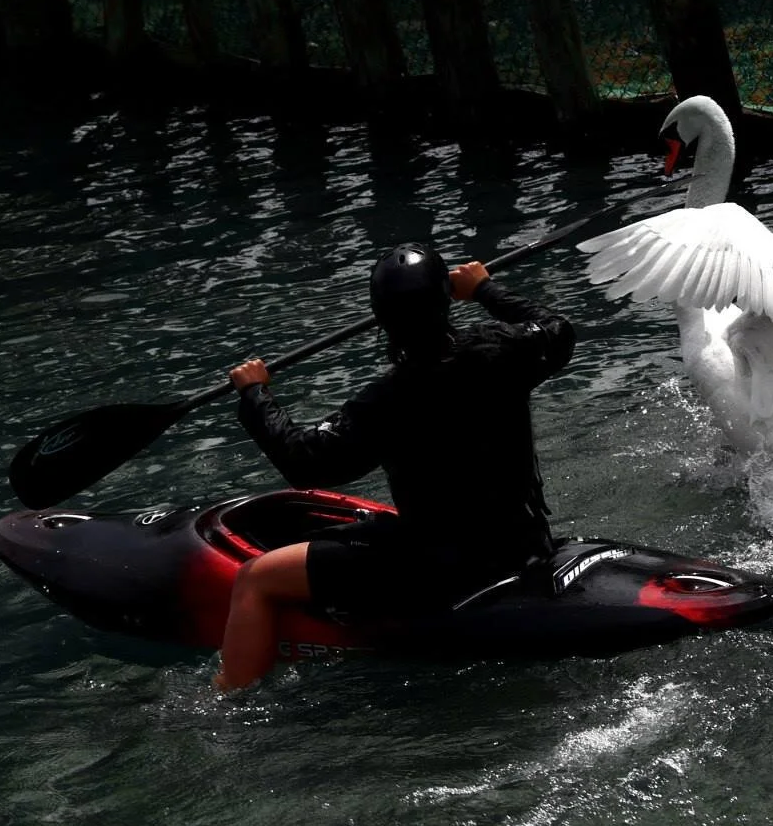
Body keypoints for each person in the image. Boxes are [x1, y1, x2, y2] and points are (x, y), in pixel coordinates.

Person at [215, 243, 576, 692]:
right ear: (445, 300)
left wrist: (255, 394)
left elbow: (303, 462)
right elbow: (558, 329)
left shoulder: (385, 401)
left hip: (440, 570)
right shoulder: (503, 350)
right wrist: (484, 288)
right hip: (523, 544)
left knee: (255, 578)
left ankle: (229, 700)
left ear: (382, 319)